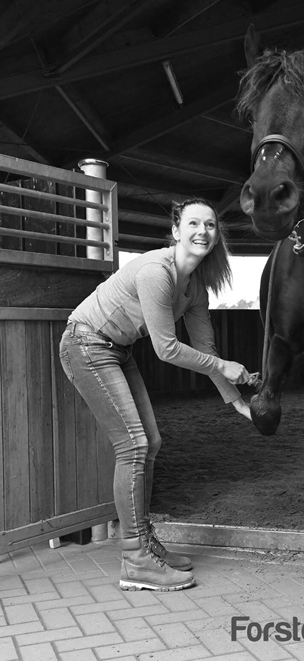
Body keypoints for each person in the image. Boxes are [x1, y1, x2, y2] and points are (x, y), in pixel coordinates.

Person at [59, 197, 252, 592]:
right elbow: (167, 349)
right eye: (194, 223)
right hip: (85, 343)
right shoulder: (155, 271)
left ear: (216, 238)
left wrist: (239, 404)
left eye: (211, 225)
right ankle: (135, 560)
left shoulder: (195, 289)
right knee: (132, 445)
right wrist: (225, 369)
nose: (203, 231)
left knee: (152, 441)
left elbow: (207, 352)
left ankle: (144, 543)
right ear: (176, 230)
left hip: (116, 350)